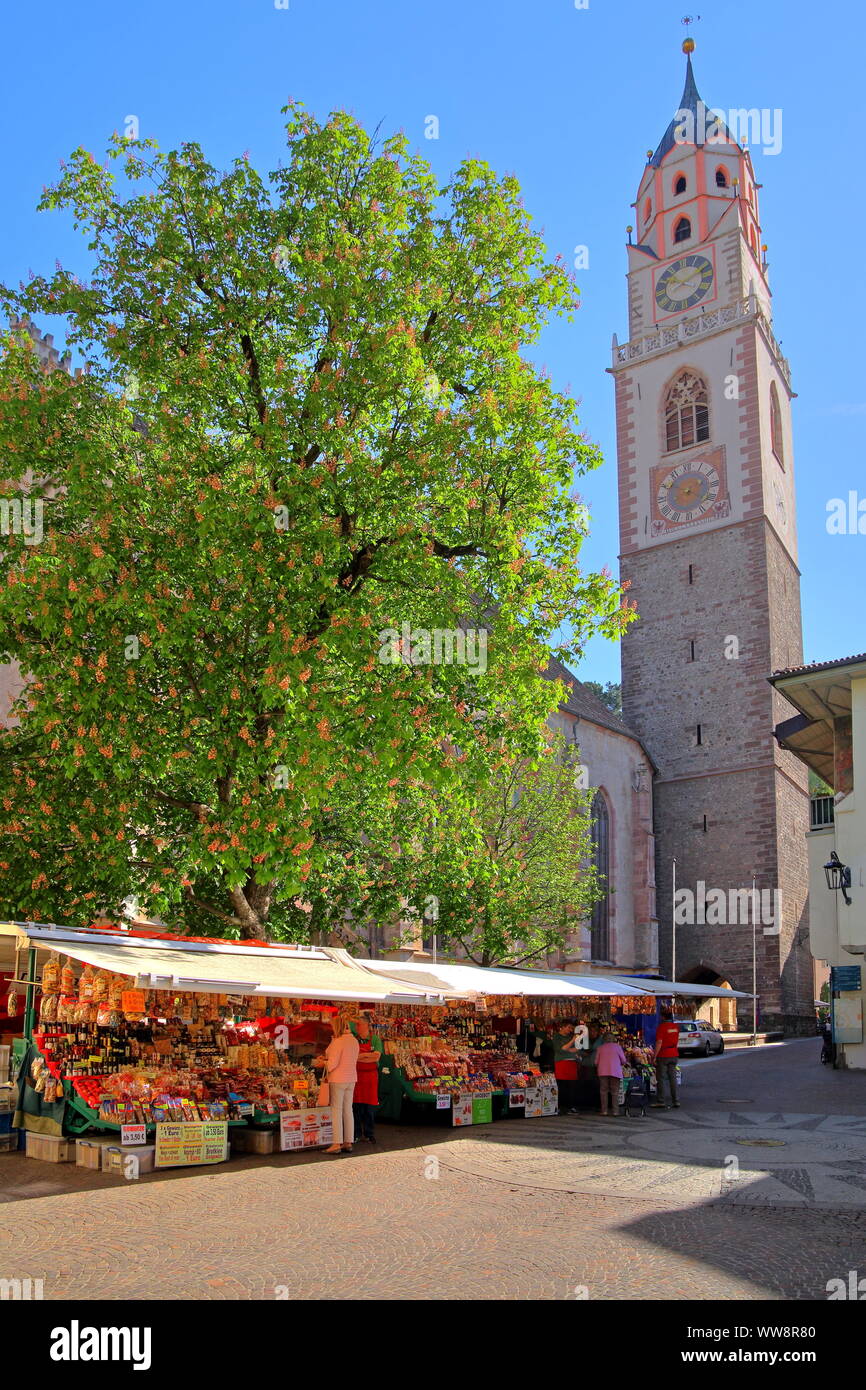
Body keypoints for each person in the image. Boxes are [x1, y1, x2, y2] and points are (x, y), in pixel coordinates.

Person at [319, 1016, 360, 1153]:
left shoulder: (338, 1042)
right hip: (351, 1078)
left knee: (336, 1110)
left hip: (338, 1079)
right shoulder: (354, 1040)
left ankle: (336, 1144)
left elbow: (332, 1065)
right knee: (348, 1110)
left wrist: (323, 1062)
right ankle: (348, 1142)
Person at [351, 1014, 383, 1143]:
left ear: (366, 1025)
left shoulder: (375, 1039)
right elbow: (353, 1057)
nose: (357, 1027)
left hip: (371, 1077)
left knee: (370, 1107)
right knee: (356, 1106)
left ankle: (369, 1133)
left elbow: (376, 1057)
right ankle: (357, 1133)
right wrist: (367, 1055)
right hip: (357, 1076)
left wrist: (362, 1055)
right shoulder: (354, 1039)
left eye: (359, 1024)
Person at [652, 1007, 681, 1109]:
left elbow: (659, 1042)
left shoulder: (662, 1027)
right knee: (673, 1079)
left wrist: (654, 1056)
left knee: (661, 1078)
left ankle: (661, 1101)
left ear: (663, 1017)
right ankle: (676, 1100)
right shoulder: (675, 1027)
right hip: (674, 1054)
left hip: (664, 1054)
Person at [595, 1031, 627, 1116]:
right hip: (615, 1072)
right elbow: (624, 1060)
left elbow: (596, 1062)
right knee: (615, 1092)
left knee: (603, 1091)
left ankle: (604, 1111)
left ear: (604, 1039)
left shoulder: (600, 1048)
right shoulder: (618, 1047)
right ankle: (615, 1111)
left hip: (603, 1072)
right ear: (613, 1039)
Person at [553, 1019, 579, 1114]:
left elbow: (575, 1049)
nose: (570, 1030)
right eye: (569, 1027)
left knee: (572, 1086)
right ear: (562, 1027)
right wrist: (572, 1041)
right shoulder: (557, 1037)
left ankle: (571, 1107)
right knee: (561, 1085)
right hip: (561, 1063)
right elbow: (561, 1049)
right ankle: (559, 1106)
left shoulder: (570, 1036)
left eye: (571, 1028)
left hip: (572, 1063)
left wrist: (568, 1048)